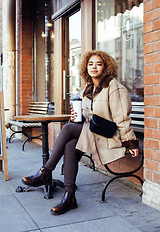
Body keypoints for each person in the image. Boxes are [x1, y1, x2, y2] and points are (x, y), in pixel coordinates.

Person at [22, 50, 139, 215]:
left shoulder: (113, 86)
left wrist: (130, 142)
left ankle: (45, 172)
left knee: (68, 129)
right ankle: (69, 197)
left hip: (108, 136)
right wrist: (76, 116)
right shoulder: (88, 88)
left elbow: (121, 117)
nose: (94, 67)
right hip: (91, 134)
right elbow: (87, 117)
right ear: (86, 67)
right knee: (70, 145)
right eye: (91, 63)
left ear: (106, 67)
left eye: (99, 63)